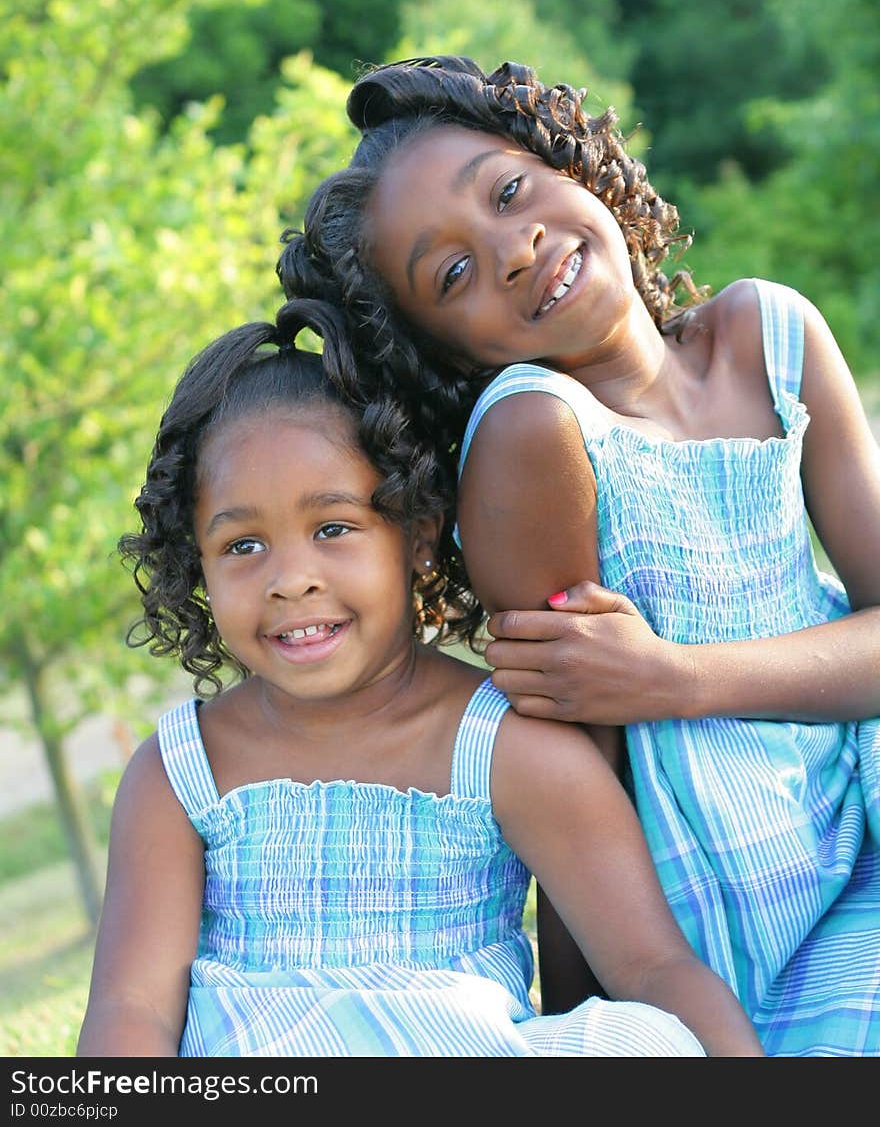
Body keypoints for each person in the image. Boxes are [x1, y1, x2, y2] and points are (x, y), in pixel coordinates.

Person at [276, 54, 880, 1057]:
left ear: (577, 165)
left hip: (852, 817)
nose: (513, 251)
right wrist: (589, 1036)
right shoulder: (537, 432)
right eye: (454, 274)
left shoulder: (770, 334)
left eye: (509, 192)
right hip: (734, 916)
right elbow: (573, 781)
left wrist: (674, 676)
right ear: (446, 352)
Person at [75, 298, 762, 1058]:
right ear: (194, 566)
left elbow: (653, 966)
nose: (290, 579)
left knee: (645, 1044)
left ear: (417, 533)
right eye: (242, 545)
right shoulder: (180, 772)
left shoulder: (505, 745)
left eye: (333, 528)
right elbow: (130, 1010)